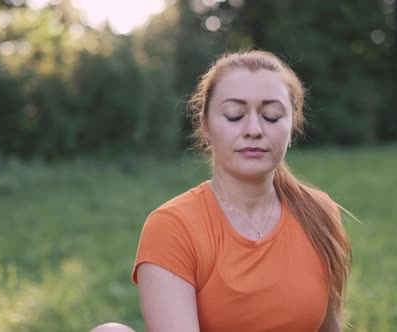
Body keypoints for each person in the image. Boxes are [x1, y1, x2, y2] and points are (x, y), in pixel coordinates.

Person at [91, 50, 352, 332]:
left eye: (272, 116)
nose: (253, 129)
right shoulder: (172, 227)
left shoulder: (319, 214)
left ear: (292, 126)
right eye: (234, 115)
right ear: (206, 127)